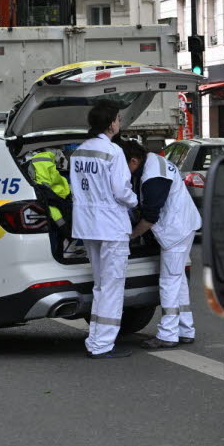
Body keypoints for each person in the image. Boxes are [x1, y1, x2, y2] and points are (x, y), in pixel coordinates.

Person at [70, 103, 139, 359]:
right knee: (112, 287)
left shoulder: (79, 151)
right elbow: (121, 191)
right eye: (118, 119)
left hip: (87, 226)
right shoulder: (113, 152)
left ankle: (95, 340)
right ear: (111, 123)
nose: (119, 123)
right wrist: (135, 201)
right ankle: (103, 345)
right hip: (111, 226)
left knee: (100, 286)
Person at [121, 139, 202, 350]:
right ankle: (185, 329)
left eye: (123, 166)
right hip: (183, 225)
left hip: (176, 229)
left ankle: (168, 334)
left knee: (169, 281)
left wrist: (129, 237)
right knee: (178, 279)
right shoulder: (154, 162)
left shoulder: (153, 176)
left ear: (133, 160)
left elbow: (150, 216)